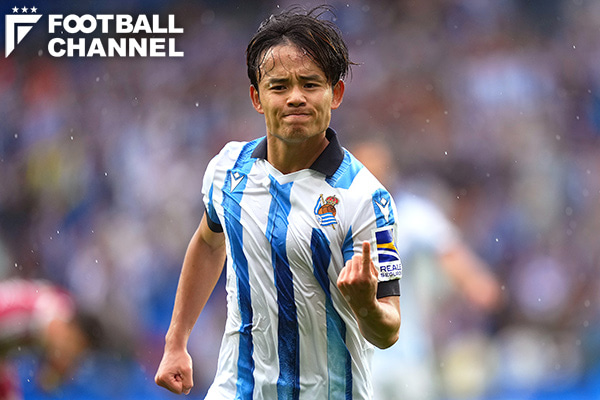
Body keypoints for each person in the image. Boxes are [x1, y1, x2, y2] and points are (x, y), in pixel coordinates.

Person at [155, 6, 403, 399]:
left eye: (310, 84)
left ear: (336, 93)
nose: (295, 98)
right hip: (238, 390)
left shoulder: (366, 199)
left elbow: (388, 330)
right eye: (279, 86)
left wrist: (366, 307)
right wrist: (176, 342)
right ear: (257, 97)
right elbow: (208, 242)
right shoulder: (227, 170)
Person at [351, 140, 503, 400]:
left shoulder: (411, 214)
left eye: (379, 169)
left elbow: (449, 250)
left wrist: (474, 281)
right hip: (360, 356)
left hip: (407, 351)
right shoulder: (338, 219)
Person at [0, 278, 102, 399]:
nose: (66, 357)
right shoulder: (31, 310)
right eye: (71, 348)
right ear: (70, 331)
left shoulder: (57, 312)